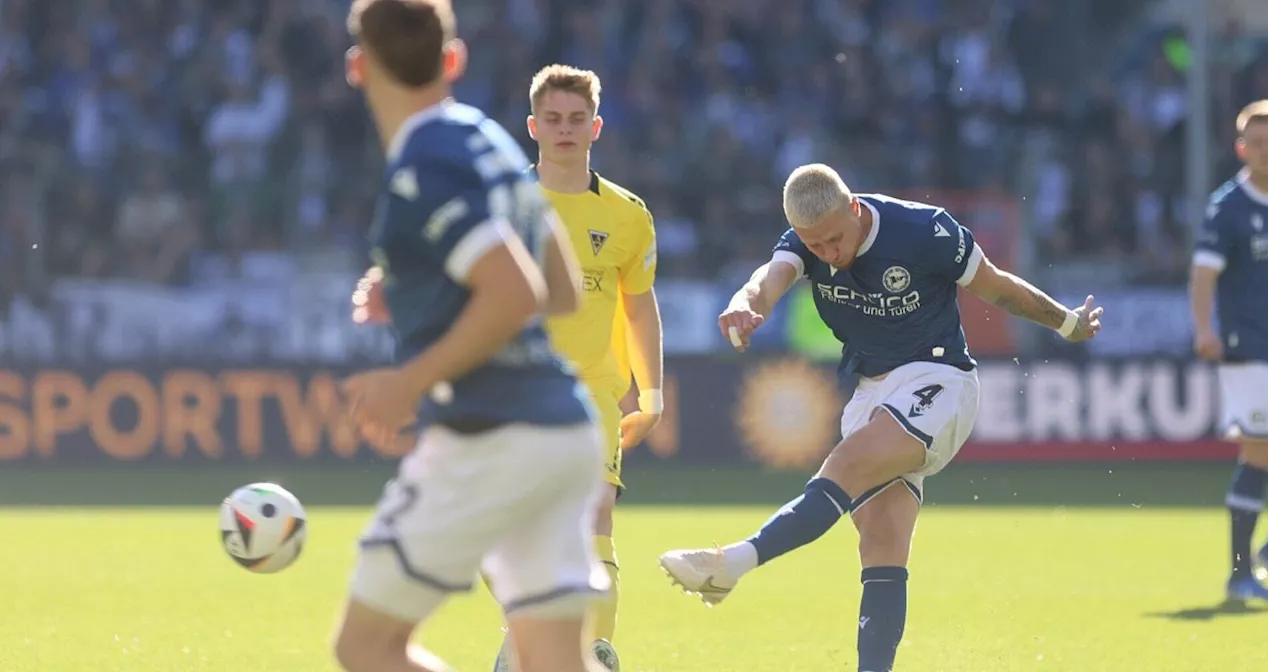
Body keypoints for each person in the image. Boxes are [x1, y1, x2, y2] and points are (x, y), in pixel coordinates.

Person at [659, 164, 1103, 672]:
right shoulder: (805, 242)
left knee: (845, 463)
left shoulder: (923, 230)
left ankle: (731, 563)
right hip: (870, 392)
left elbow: (997, 287)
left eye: (834, 240)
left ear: (854, 209)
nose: (827, 254)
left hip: (940, 379)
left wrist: (1067, 322)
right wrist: (744, 302)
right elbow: (770, 277)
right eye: (815, 246)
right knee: (881, 543)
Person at [332, 2, 609, 671]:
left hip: (493, 436)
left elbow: (517, 291)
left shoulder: (422, 166)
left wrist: (408, 381)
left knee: (366, 648)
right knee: (553, 662)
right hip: (564, 433)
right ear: (453, 60)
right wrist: (415, 289)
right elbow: (561, 285)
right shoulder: (485, 139)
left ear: (357, 67)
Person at [490, 63, 663, 672]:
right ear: (533, 127)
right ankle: (529, 640)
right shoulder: (505, 205)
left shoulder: (628, 215)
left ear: (597, 126)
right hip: (514, 392)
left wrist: (654, 392)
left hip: (593, 394)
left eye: (576, 119)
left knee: (595, 514)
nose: (565, 130)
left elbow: (641, 308)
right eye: (553, 120)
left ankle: (592, 653)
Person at [1189, 98, 1268, 603]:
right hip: (1249, 349)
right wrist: (1205, 328)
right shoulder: (1230, 208)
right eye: (1259, 143)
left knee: (1265, 452)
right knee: (1261, 452)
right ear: (1242, 148)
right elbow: (1204, 275)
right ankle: (1243, 573)